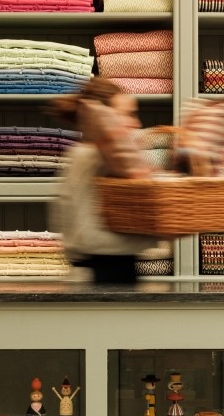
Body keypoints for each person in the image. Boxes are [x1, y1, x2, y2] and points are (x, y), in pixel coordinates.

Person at [47, 76, 160, 284]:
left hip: (113, 271)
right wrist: (155, 233)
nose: (137, 123)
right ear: (104, 118)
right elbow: (87, 238)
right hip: (98, 276)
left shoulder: (108, 159)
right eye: (129, 115)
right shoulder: (88, 157)